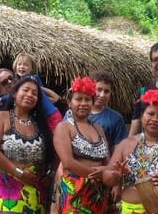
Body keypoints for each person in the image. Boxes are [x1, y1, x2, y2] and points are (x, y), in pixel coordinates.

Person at [0, 77, 56, 213]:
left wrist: (50, 174)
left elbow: (53, 153)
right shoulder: (1, 117)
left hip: (35, 190)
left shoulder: (39, 124)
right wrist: (19, 173)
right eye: (26, 90)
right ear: (14, 93)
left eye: (34, 93)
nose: (30, 95)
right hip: (7, 187)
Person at [54, 76, 111, 213]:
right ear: (69, 102)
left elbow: (107, 160)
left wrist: (108, 171)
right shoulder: (64, 127)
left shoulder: (98, 128)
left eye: (88, 99)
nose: (83, 103)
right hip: (75, 190)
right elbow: (68, 162)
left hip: (99, 192)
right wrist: (99, 173)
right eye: (78, 99)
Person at [63, 71, 128, 151]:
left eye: (106, 91)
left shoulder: (116, 119)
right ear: (91, 89)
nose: (102, 95)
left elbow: (120, 150)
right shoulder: (71, 114)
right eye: (99, 90)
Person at [12, 53, 63, 130]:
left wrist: (4, 98)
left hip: (51, 116)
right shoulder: (33, 79)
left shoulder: (30, 79)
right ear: (15, 67)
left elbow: (14, 93)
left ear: (32, 68)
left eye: (26, 65)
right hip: (51, 114)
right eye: (19, 64)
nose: (22, 67)